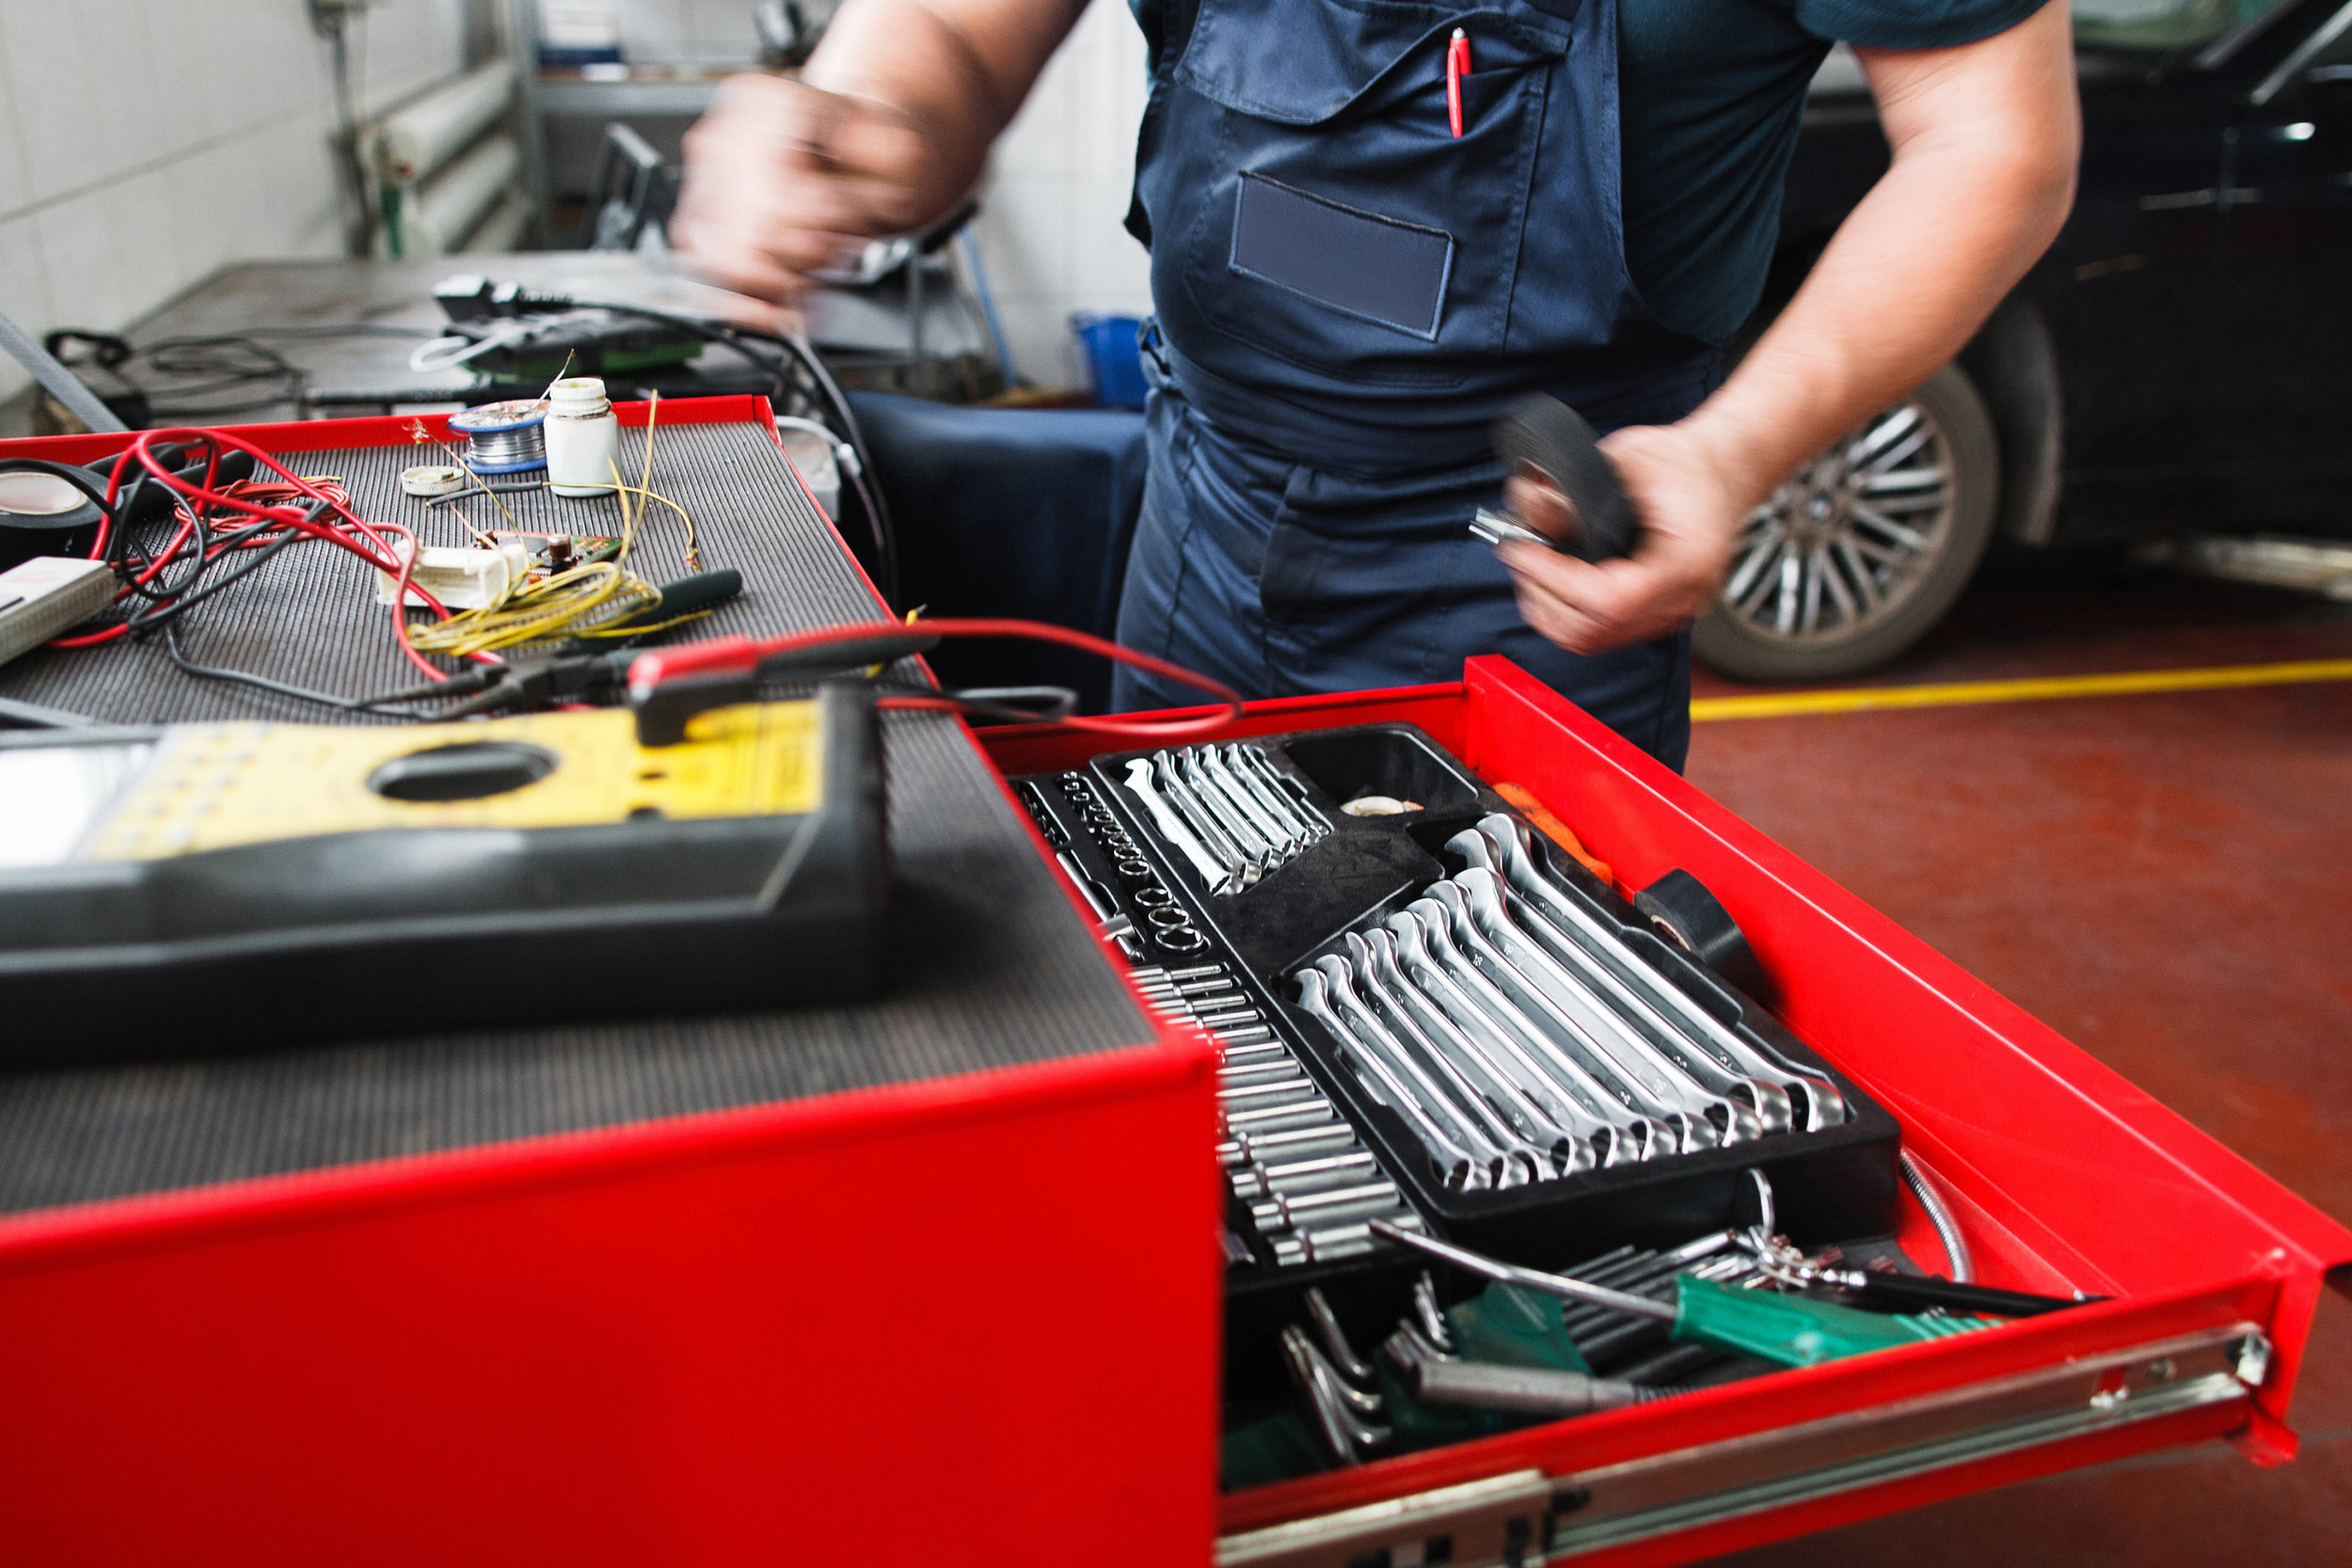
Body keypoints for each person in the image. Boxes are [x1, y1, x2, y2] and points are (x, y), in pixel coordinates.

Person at [675, 0, 2079, 768]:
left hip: (1532, 573)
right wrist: (850, 120)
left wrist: (1735, 451)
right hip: (1203, 513)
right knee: (1181, 975)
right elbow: (960, 33)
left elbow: (1991, 145)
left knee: (1500, 1068)